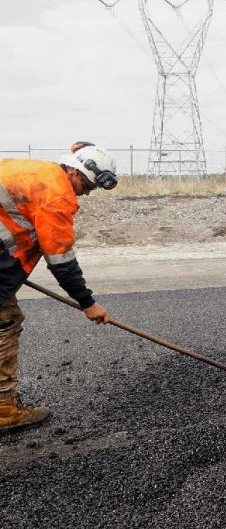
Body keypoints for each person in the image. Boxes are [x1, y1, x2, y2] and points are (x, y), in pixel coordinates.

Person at [0, 142, 117, 433]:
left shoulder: (34, 170)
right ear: (77, 174)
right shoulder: (57, 194)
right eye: (89, 186)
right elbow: (61, 260)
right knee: (6, 322)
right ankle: (3, 411)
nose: (87, 193)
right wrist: (88, 303)